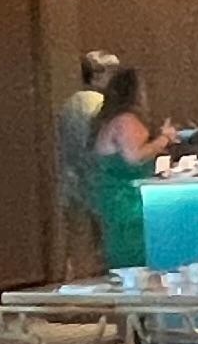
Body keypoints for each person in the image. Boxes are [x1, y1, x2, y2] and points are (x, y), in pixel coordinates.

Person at [86, 64, 162, 271]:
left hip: (112, 196)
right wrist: (164, 139)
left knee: (119, 250)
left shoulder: (107, 121)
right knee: (134, 252)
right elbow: (133, 156)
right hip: (127, 198)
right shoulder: (126, 121)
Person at [52, 51, 118, 272]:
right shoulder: (102, 106)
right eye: (112, 72)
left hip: (70, 184)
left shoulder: (70, 104)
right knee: (102, 252)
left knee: (79, 249)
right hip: (98, 184)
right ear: (99, 74)